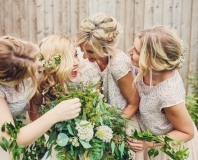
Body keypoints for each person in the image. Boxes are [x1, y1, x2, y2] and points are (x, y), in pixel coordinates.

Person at [0, 35, 81, 160]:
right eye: (35, 70)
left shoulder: (17, 54)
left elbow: (36, 104)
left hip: (18, 124)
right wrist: (56, 114)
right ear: (13, 81)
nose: (40, 65)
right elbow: (10, 140)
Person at [75, 13, 143, 159]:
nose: (85, 56)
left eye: (91, 52)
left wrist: (112, 128)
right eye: (82, 49)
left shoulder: (118, 64)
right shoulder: (87, 60)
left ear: (105, 47)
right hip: (100, 129)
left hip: (122, 127)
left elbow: (134, 103)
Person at [127, 25, 198, 160]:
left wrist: (148, 143)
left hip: (168, 149)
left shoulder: (168, 93)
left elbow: (187, 132)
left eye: (136, 51)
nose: (129, 51)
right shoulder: (149, 69)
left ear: (152, 63)